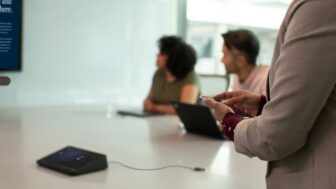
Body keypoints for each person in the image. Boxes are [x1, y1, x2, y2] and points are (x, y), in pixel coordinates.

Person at [203, 1, 336, 188]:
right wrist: (265, 107)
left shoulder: (320, 6)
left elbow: (277, 135)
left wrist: (229, 121)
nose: (221, 59)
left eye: (225, 53)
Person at [143, 36, 200, 114]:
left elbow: (185, 109)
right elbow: (148, 100)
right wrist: (148, 104)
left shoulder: (191, 77)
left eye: (162, 54)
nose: (157, 55)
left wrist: (154, 107)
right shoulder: (159, 73)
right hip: (156, 121)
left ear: (173, 57)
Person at [221, 29, 268, 95]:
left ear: (240, 60)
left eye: (225, 55)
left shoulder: (266, 81)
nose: (222, 60)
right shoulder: (237, 77)